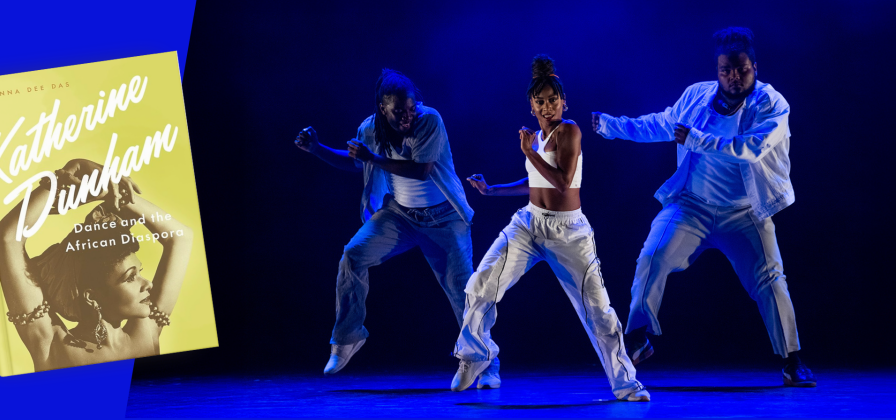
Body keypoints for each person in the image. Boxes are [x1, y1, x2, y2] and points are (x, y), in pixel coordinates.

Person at [591, 27, 816, 387]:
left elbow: (750, 148)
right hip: (690, 206)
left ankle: (792, 359)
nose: (734, 76)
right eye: (726, 69)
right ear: (718, 70)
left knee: (771, 280)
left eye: (741, 69)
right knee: (653, 256)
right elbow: (663, 124)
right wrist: (613, 126)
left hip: (744, 212)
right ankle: (637, 336)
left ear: (754, 67)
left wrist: (698, 139)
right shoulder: (697, 97)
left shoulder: (771, 104)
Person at [449, 55, 650, 402]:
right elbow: (536, 183)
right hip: (529, 223)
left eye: (552, 100)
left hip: (569, 233)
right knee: (480, 284)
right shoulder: (536, 138)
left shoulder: (569, 131)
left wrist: (530, 153)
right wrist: (492, 189)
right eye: (539, 102)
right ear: (530, 105)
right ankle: (476, 355)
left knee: (598, 311)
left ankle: (626, 383)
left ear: (564, 101)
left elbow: (562, 181)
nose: (546, 107)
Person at [294, 69, 500, 385]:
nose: (407, 117)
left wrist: (372, 158)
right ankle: (348, 337)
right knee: (353, 255)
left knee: (463, 291)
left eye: (410, 108)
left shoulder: (430, 120)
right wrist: (317, 149)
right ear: (382, 109)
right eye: (398, 112)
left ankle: (486, 363)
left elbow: (421, 170)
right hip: (400, 216)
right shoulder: (369, 129)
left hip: (445, 219)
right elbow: (356, 162)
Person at [0, 159, 193, 371]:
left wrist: (113, 194)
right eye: (130, 277)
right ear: (91, 296)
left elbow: (181, 237)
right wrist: (64, 176)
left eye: (140, 273)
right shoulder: (51, 344)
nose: (148, 285)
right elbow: (5, 238)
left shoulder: (148, 327)